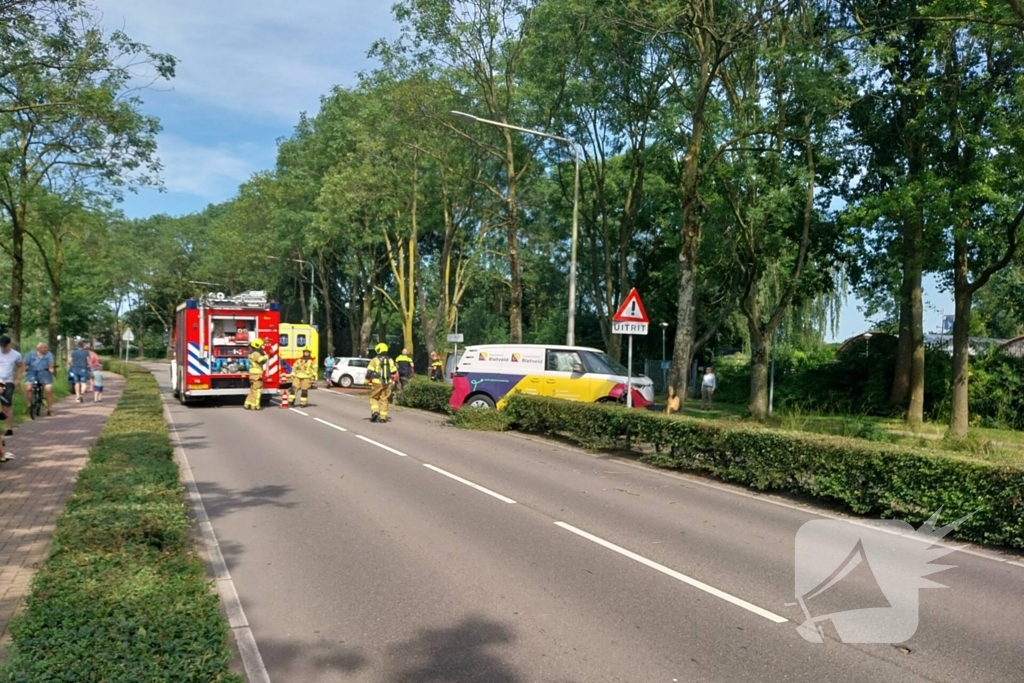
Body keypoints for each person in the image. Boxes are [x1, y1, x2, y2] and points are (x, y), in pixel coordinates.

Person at [366, 342, 397, 423]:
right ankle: (383, 417)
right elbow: (394, 371)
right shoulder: (390, 360)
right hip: (387, 382)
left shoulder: (374, 360)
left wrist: (366, 380)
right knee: (384, 399)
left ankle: (375, 412)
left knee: (374, 397)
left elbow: (369, 372)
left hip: (377, 382)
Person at [24, 342, 56, 417]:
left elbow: (51, 363)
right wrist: (23, 368)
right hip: (32, 373)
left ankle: (50, 409)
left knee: (48, 389)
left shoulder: (49, 354)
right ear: (38, 348)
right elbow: (24, 363)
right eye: (44, 348)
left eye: (46, 348)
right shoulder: (31, 354)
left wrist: (51, 368)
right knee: (28, 388)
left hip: (44, 372)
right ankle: (29, 406)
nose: (46, 349)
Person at [0, 336, 23, 436]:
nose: (3, 348)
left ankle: (9, 428)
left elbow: (20, 366)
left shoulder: (16, 355)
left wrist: (18, 378)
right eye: (1, 346)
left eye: (5, 346)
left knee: (7, 405)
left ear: (10, 345)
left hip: (9, 381)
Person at [244, 339, 268, 411]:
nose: (261, 348)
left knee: (252, 390)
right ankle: (255, 405)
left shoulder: (251, 354)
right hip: (257, 375)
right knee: (257, 391)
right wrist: (267, 355)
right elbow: (262, 360)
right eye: (261, 346)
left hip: (252, 375)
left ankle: (247, 404)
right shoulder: (256, 354)